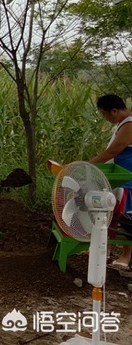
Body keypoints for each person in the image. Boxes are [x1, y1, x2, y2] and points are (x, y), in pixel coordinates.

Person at [89, 94, 132, 269]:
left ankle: (125, 257)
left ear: (114, 110)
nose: (105, 119)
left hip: (128, 180)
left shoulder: (129, 125)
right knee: (109, 213)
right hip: (118, 179)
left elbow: (111, 152)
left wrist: (84, 166)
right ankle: (104, 249)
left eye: (105, 115)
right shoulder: (121, 124)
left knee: (127, 218)